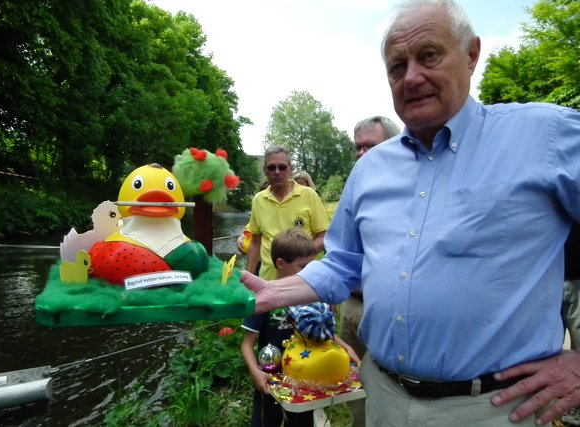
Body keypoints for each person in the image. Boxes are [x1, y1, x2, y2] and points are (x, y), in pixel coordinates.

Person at [241, 1, 580, 426]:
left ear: (471, 54)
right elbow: (344, 263)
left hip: (494, 409)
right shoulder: (370, 169)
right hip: (384, 397)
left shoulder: (545, 137)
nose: (413, 77)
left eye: (429, 56)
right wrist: (272, 294)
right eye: (398, 67)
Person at [240, 229, 359, 427]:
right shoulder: (263, 299)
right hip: (270, 381)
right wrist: (255, 371)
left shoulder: (312, 299)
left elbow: (321, 334)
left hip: (303, 382)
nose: (309, 273)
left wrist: (345, 346)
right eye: (303, 266)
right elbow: (246, 344)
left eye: (313, 267)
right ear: (280, 263)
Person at [341, 115, 400, 427]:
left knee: (386, 385)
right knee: (352, 380)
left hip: (383, 308)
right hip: (351, 303)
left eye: (370, 146)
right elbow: (340, 253)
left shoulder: (408, 191)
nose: (362, 153)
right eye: (358, 147)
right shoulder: (356, 191)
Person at [245, 146, 328, 280]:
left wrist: (299, 257)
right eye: (272, 167)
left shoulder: (309, 195)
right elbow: (255, 242)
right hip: (268, 280)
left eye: (282, 167)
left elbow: (323, 236)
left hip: (303, 279)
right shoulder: (258, 200)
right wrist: (248, 277)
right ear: (265, 170)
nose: (277, 172)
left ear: (290, 169)